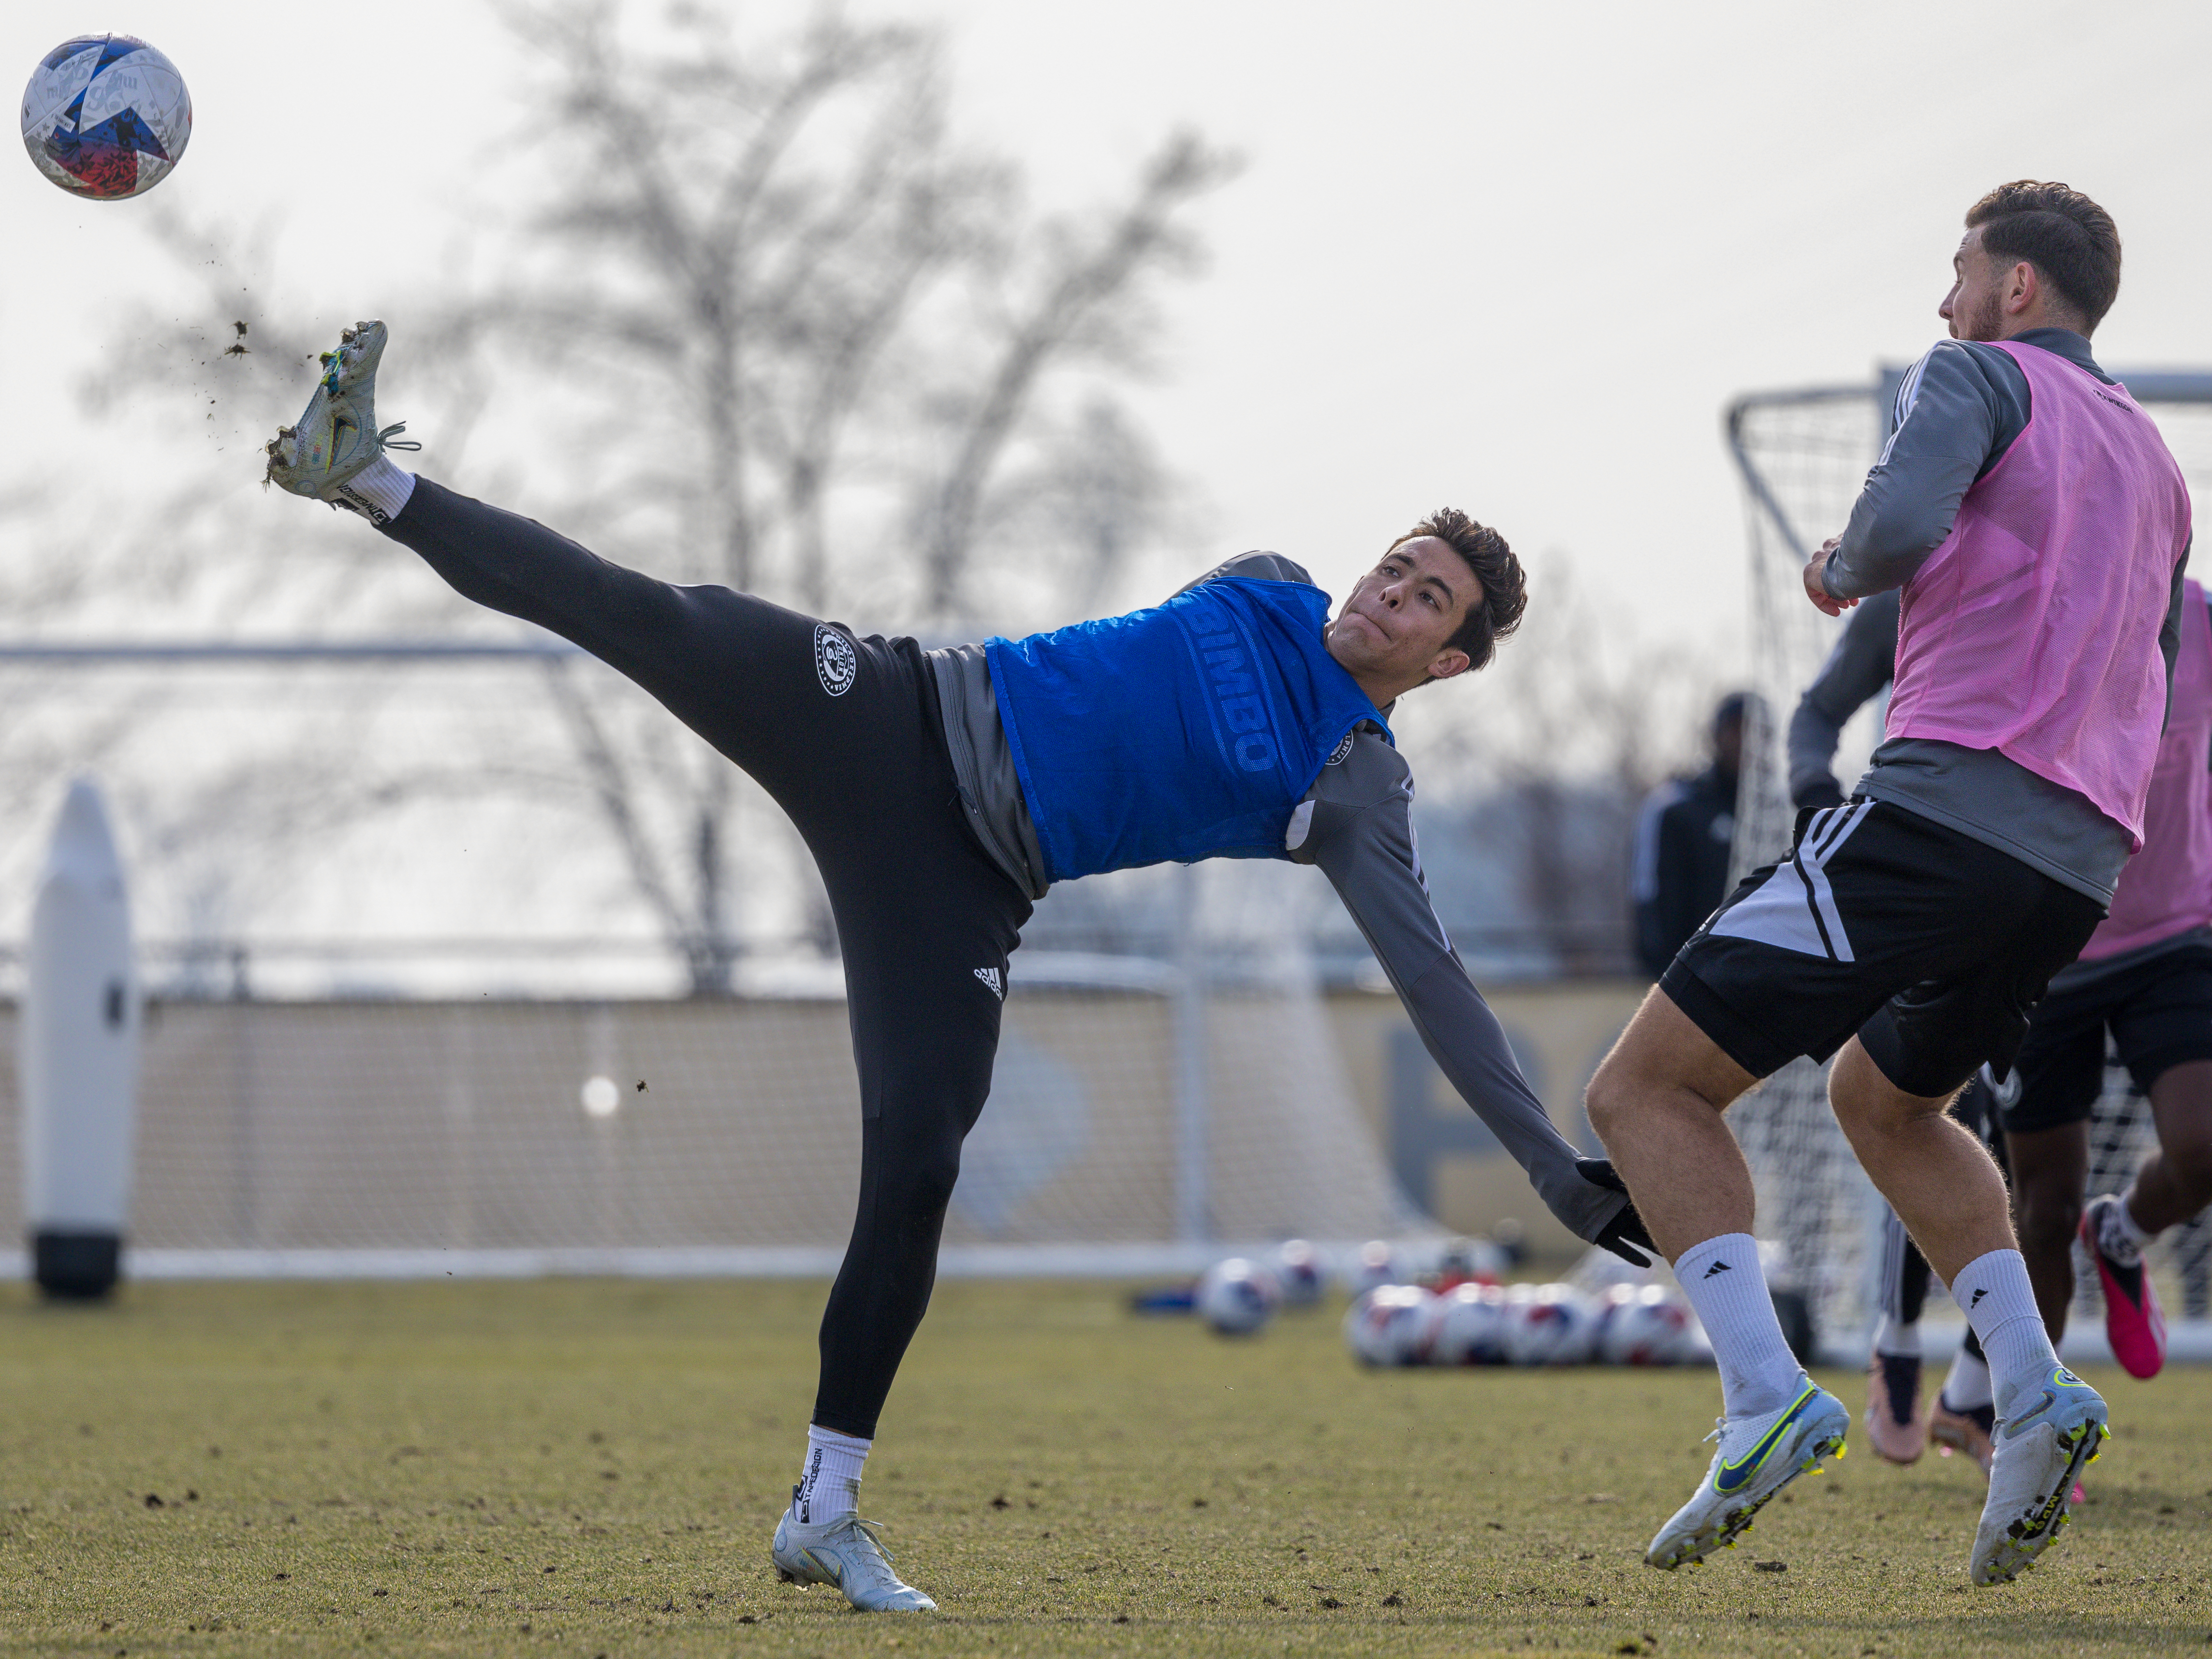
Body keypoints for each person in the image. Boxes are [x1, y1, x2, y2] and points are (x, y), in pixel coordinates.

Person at [259, 321, 1655, 1613]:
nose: (1388, 595)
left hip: (964, 888)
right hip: (893, 710)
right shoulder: (1268, 581)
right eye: (1394, 565)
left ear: (1454, 660)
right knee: (651, 614)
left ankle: (823, 1503)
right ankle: (366, 476)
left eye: (1425, 602)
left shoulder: (1353, 790)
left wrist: (1549, 1169)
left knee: (918, 1156)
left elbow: (1439, 994)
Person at [1582, 179, 2190, 1587]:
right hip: (2075, 863)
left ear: (2016, 288)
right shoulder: (2159, 470)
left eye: (1961, 267)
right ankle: (2031, 1396)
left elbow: (1900, 525)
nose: (1944, 298)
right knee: (1882, 1097)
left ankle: (1762, 1398)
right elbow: (2151, 668)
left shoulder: (1972, 374)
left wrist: (1838, 566)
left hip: (1942, 819)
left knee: (1642, 1090)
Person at [1793, 575, 2212, 1472]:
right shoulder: (2011, 596)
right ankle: (2018, 1429)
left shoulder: (2199, 619)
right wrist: (1813, 791)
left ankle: (2125, 1233)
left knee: (2203, 1145)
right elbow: (1839, 711)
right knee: (2033, 1201)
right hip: (2041, 936)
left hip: (2175, 933)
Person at [1631, 693, 1750, 977]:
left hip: (1755, 981)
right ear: (1718, 735)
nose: (1746, 742)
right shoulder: (1675, 806)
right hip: (1688, 982)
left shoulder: (1785, 812)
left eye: (1756, 731)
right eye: (1736, 729)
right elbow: (1648, 896)